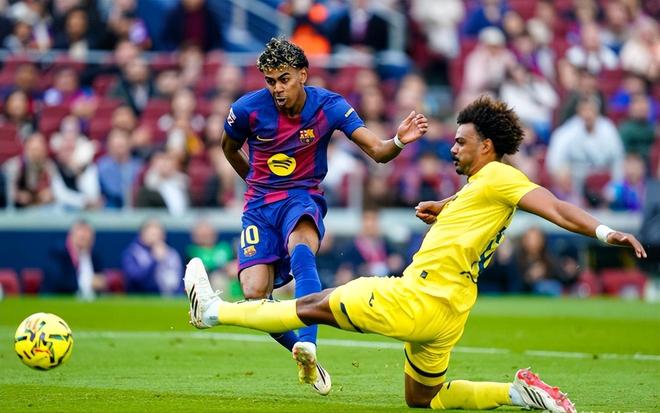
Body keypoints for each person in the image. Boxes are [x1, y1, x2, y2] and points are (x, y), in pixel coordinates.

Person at [186, 96, 647, 412]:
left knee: (311, 305)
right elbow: (475, 202)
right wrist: (443, 207)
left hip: (418, 297)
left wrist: (607, 232)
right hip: (451, 313)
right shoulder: (483, 186)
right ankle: (517, 393)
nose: (453, 147)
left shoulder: (503, 177)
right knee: (423, 399)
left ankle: (212, 311)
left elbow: (557, 208)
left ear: (487, 146)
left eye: (461, 141)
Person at [219, 37, 429, 395]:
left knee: (302, 249)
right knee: (255, 295)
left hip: (302, 196)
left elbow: (378, 152)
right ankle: (304, 355)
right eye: (270, 81)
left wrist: (397, 140)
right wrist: (255, 183)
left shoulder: (329, 106)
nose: (277, 88)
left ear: (303, 74)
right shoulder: (246, 109)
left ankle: (309, 342)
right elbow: (229, 147)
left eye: (284, 79)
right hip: (259, 204)